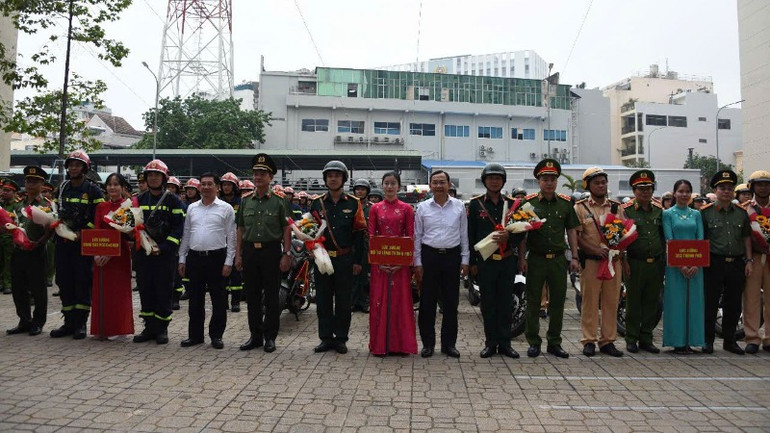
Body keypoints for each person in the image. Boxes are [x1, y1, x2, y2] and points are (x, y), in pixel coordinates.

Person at [519, 159, 579, 358]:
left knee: (558, 302)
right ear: (538, 181)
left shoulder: (565, 203)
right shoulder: (528, 203)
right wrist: (522, 258)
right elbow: (522, 233)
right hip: (536, 259)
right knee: (533, 301)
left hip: (558, 260)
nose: (549, 183)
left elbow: (571, 230)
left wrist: (575, 257)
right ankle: (533, 341)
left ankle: (554, 341)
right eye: (545, 179)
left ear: (557, 181)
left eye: (552, 179)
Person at [236, 154, 292, 353]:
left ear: (270, 177)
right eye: (255, 173)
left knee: (271, 297)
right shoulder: (245, 201)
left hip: (271, 252)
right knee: (251, 296)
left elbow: (286, 228)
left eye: (262, 174)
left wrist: (286, 254)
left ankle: (270, 337)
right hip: (250, 251)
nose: (258, 177)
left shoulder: (279, 201)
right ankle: (255, 336)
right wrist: (238, 255)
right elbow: (240, 228)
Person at [310, 160, 367, 354]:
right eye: (329, 176)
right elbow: (310, 230)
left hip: (345, 259)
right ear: (325, 179)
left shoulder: (353, 203)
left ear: (344, 179)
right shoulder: (316, 203)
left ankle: (341, 338)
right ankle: (325, 338)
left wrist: (358, 262)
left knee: (343, 301)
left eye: (337, 175)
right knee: (323, 300)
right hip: (322, 258)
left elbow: (359, 234)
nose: (333, 179)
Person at [468, 163, 522, 358]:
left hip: (507, 261)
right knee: (488, 304)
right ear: (484, 181)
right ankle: (490, 343)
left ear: (503, 181)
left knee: (506, 303)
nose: (494, 181)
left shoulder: (514, 204)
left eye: (498, 178)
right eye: (490, 178)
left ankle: (505, 344)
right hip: (486, 262)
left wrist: (510, 237)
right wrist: (472, 263)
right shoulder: (475, 204)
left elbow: (522, 231)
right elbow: (470, 234)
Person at [414, 170, 469, 358]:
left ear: (449, 184)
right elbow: (417, 236)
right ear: (430, 185)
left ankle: (449, 344)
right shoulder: (422, 208)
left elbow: (464, 235)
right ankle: (428, 344)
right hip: (429, 256)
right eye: (435, 182)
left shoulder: (459, 206)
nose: (439, 186)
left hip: (452, 257)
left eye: (442, 182)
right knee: (427, 303)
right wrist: (417, 262)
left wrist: (465, 260)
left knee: (451, 303)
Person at [50, 150, 105, 340]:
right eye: (71, 165)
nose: (73, 168)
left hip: (82, 244)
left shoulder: (93, 190)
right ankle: (68, 322)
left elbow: (98, 217)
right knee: (64, 281)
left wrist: (83, 232)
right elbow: (55, 211)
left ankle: (80, 323)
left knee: (82, 282)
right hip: (63, 242)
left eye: (77, 165)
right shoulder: (62, 188)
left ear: (85, 168)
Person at [178, 173, 236, 349]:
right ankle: (195, 336)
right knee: (195, 300)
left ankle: (216, 336)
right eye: (203, 184)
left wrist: (229, 261)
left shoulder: (226, 208)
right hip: (195, 258)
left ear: (217, 187)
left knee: (219, 300)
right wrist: (182, 258)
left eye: (210, 184)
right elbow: (186, 234)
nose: (206, 187)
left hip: (217, 258)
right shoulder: (192, 208)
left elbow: (231, 237)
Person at [574, 167, 626, 357]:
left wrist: (619, 250)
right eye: (596, 183)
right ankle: (589, 340)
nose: (601, 186)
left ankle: (608, 341)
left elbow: (624, 232)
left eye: (603, 182)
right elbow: (576, 236)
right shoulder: (580, 208)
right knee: (590, 301)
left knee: (611, 301)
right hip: (591, 262)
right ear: (587, 185)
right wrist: (593, 249)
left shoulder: (616, 207)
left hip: (613, 262)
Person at [700, 169, 753, 355]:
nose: (726, 191)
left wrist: (749, 260)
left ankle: (730, 341)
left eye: (730, 188)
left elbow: (746, 238)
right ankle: (707, 341)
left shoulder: (741, 213)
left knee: (733, 304)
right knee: (710, 302)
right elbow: (702, 239)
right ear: (715, 190)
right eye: (722, 188)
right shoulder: (705, 213)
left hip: (736, 263)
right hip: (714, 262)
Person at [132, 159, 185, 345]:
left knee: (163, 291)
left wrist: (163, 248)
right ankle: (149, 327)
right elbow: (132, 225)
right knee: (145, 290)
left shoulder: (173, 200)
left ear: (164, 178)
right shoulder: (138, 200)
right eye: (150, 175)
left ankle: (162, 329)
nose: (153, 178)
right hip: (143, 254)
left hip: (164, 255)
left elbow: (178, 229)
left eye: (157, 175)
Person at [367, 171, 418, 356]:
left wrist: (403, 263)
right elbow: (371, 236)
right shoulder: (375, 208)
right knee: (379, 302)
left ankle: (401, 345)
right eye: (386, 183)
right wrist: (377, 261)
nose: (389, 187)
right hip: (379, 264)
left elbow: (410, 236)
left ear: (399, 186)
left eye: (393, 183)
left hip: (400, 265)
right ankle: (379, 345)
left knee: (400, 303)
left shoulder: (406, 209)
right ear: (382, 186)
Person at [6, 166, 53, 336]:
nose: (30, 184)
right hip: (18, 250)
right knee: (18, 287)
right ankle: (24, 320)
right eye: (28, 181)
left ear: (42, 184)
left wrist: (39, 242)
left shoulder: (46, 206)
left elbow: (51, 228)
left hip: (36, 250)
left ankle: (38, 322)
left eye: (35, 181)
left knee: (38, 288)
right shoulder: (19, 204)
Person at [621, 170, 664, 354]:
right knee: (633, 302)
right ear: (634, 191)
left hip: (655, 263)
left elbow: (663, 237)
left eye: (648, 188)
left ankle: (646, 338)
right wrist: (624, 261)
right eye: (641, 189)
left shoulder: (659, 211)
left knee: (651, 302)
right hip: (634, 262)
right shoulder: (626, 210)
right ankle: (631, 338)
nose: (645, 192)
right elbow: (621, 239)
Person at [662, 179, 705, 353]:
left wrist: (696, 264)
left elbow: (700, 239)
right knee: (676, 302)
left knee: (695, 302)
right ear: (675, 193)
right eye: (680, 191)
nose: (684, 194)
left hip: (696, 265)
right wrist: (680, 265)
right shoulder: (668, 214)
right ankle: (677, 341)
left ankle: (693, 340)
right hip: (675, 266)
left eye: (687, 191)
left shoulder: (696, 214)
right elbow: (669, 240)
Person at [91, 173, 135, 338]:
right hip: (101, 256)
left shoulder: (128, 206)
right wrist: (96, 253)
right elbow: (96, 230)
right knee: (102, 292)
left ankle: (119, 328)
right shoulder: (101, 207)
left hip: (120, 256)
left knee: (118, 292)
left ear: (122, 187)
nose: (112, 187)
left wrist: (111, 252)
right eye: (109, 184)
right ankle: (102, 328)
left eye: (116, 184)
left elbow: (129, 233)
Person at [742, 170, 770, 354]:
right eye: (759, 184)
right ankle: (752, 338)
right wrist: (748, 259)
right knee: (751, 299)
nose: (763, 188)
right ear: (752, 187)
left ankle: (769, 338)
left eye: (767, 184)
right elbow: (744, 236)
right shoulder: (745, 209)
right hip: (754, 257)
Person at [219, 172, 244, 312]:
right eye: (224, 184)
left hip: (236, 241)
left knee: (236, 273)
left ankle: (235, 302)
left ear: (235, 187)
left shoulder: (241, 202)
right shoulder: (218, 202)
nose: (226, 187)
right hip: (220, 241)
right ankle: (223, 302)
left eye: (229, 185)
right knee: (221, 274)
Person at [351, 178, 372, 313]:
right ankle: (352, 302)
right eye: (357, 189)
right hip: (352, 245)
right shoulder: (350, 205)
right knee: (352, 275)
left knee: (365, 275)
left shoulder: (372, 208)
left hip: (366, 245)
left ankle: (364, 302)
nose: (359, 192)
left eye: (362, 189)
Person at [0, 178, 20, 295]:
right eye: (3, 190)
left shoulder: (17, 206)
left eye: (8, 190)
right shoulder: (0, 205)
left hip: (10, 238)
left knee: (9, 261)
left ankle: (8, 284)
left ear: (14, 193)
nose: (4, 192)